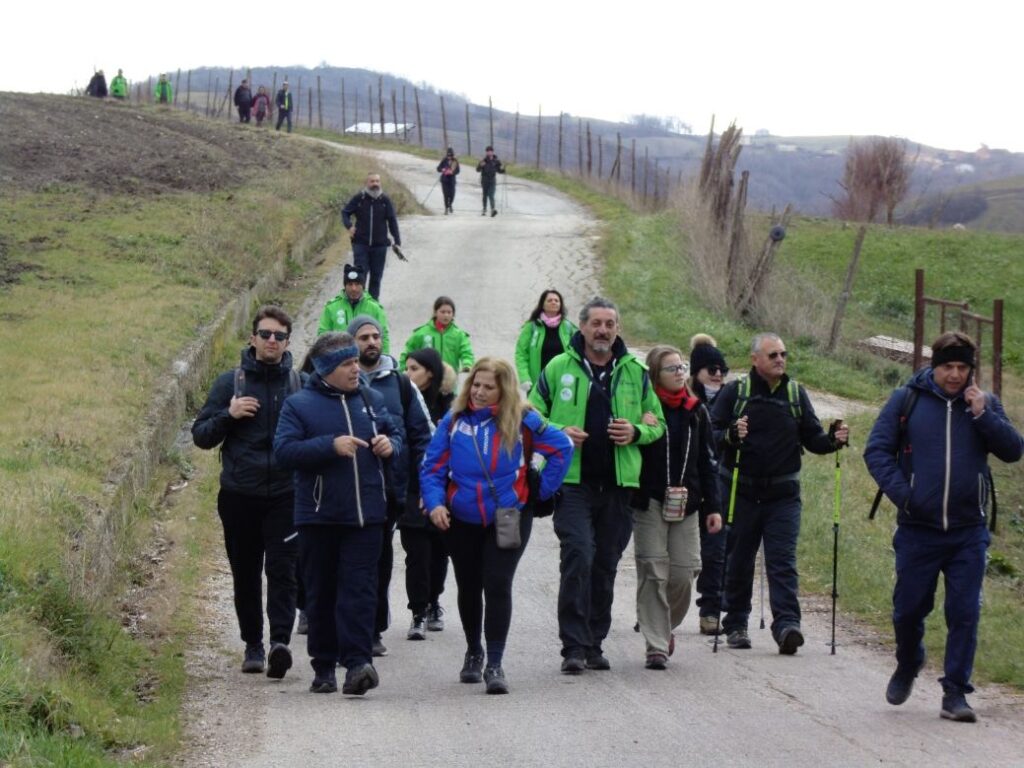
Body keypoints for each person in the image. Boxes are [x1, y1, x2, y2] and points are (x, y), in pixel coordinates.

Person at [865, 332, 1022, 723]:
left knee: (964, 611)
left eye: (962, 367)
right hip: (918, 529)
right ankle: (908, 662)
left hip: (968, 531)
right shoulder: (908, 400)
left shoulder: (983, 405)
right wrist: (906, 494)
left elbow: (1013, 450)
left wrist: (984, 414)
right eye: (947, 366)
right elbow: (876, 450)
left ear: (972, 369)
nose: (955, 375)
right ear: (933, 366)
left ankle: (955, 692)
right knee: (907, 610)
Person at [529, 297, 665, 673]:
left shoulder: (635, 372)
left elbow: (658, 425)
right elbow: (529, 412)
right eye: (596, 324)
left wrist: (636, 430)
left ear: (617, 329)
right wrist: (558, 432)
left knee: (605, 564)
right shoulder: (559, 368)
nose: (602, 330)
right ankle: (572, 646)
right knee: (579, 556)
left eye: (609, 324)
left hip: (620, 486)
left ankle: (594, 642)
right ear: (582, 328)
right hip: (572, 484)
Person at [421, 358, 573, 694]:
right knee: (469, 584)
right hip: (461, 518)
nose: (480, 391)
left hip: (508, 515)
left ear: (504, 389)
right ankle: (474, 651)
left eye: (489, 387)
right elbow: (432, 467)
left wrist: (539, 492)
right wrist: (434, 504)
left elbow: (562, 447)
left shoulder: (524, 419)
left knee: (498, 582)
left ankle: (495, 662)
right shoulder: (453, 420)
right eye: (476, 384)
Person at [273, 332, 404, 695]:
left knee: (360, 591)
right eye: (347, 364)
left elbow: (398, 436)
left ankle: (358, 664)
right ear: (328, 369)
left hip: (367, 518)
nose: (355, 368)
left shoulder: (371, 399)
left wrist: (389, 446)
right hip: (319, 516)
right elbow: (283, 452)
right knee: (322, 591)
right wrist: (329, 446)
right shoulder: (299, 405)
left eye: (354, 362)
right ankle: (324, 666)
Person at [710, 332, 849, 654]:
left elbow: (813, 438)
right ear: (755, 359)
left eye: (783, 354)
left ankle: (787, 625)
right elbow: (711, 433)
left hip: (783, 495)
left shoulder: (795, 394)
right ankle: (736, 623)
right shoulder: (736, 392)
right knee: (740, 559)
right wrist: (730, 435)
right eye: (772, 355)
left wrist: (833, 440)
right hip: (740, 491)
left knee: (782, 560)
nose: (780, 360)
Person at [191, 306, 301, 680]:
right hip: (240, 495)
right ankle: (253, 644)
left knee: (284, 571)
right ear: (252, 338)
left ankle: (279, 643)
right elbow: (201, 436)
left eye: (279, 336)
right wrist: (229, 414)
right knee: (246, 573)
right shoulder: (230, 383)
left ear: (288, 342)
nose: (272, 341)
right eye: (266, 334)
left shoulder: (298, 385)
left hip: (286, 495)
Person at [347, 315, 434, 656]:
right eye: (364, 337)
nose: (371, 342)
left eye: (376, 336)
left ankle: (373, 629)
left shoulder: (400, 385)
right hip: (346, 489)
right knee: (351, 563)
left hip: (390, 491)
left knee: (380, 562)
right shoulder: (338, 381)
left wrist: (426, 485)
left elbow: (423, 435)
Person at [632, 345, 722, 669]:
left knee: (684, 573)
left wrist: (714, 507)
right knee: (653, 570)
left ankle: (662, 623)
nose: (680, 373)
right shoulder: (645, 409)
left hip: (688, 503)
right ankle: (656, 644)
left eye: (682, 367)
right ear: (655, 374)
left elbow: (708, 462)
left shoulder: (696, 410)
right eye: (672, 369)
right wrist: (640, 427)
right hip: (650, 502)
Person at [399, 347, 455, 637]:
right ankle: (418, 612)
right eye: (406, 368)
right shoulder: (403, 400)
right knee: (416, 554)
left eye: (413, 369)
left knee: (438, 553)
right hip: (410, 488)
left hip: (442, 492)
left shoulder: (451, 406)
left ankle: (434, 601)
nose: (407, 375)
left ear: (430, 372)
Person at [688, 333, 731, 635]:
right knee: (675, 556)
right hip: (687, 485)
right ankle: (657, 608)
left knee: (716, 552)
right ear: (696, 372)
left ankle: (711, 611)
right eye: (711, 370)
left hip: (721, 486)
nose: (717, 375)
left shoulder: (733, 400)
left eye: (722, 370)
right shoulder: (685, 400)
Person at [341, 172, 402, 301]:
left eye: (377, 181)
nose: (375, 184)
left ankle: (373, 304)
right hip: (360, 244)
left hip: (380, 246)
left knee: (376, 277)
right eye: (372, 181)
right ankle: (358, 302)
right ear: (367, 183)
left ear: (380, 183)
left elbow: (392, 220)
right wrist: (349, 226)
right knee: (360, 276)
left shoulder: (385, 200)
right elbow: (345, 212)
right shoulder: (359, 199)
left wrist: (397, 240)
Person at [514, 288, 577, 394]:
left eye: (557, 300)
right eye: (549, 300)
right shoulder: (532, 327)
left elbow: (580, 351)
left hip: (563, 384)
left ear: (560, 305)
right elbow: (521, 354)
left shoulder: (568, 327)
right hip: (537, 384)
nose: (553, 302)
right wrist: (524, 377)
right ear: (542, 305)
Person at [317, 264, 390, 353]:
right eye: (350, 284)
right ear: (345, 286)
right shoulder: (331, 308)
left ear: (363, 286)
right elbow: (323, 336)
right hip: (341, 360)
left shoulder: (375, 308)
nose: (354, 288)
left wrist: (385, 359)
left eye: (357, 284)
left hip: (367, 359)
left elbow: (384, 336)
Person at [400, 296, 475, 375]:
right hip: (426, 378)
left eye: (449, 312)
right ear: (435, 312)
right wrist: (402, 368)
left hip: (449, 379)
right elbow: (409, 350)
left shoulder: (459, 335)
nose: (446, 315)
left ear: (453, 314)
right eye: (442, 312)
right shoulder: (421, 333)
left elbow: (466, 352)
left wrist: (467, 364)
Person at [476, 145, 505, 217]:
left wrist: (503, 169)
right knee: (485, 195)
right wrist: (480, 165)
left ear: (492, 152)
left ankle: (492, 210)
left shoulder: (496, 161)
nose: (489, 153)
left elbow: (499, 171)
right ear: (486, 153)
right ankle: (484, 209)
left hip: (492, 180)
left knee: (491, 195)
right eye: (487, 152)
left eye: (490, 151)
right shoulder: (483, 160)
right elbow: (477, 170)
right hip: (484, 180)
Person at [437, 147, 460, 214]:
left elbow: (458, 171)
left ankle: (450, 204)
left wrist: (452, 172)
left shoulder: (455, 161)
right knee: (446, 195)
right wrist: (442, 169)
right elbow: (438, 168)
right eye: (448, 155)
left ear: (452, 155)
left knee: (452, 194)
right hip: (444, 180)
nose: (449, 157)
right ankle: (446, 209)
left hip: (452, 180)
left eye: (450, 155)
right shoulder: (444, 160)